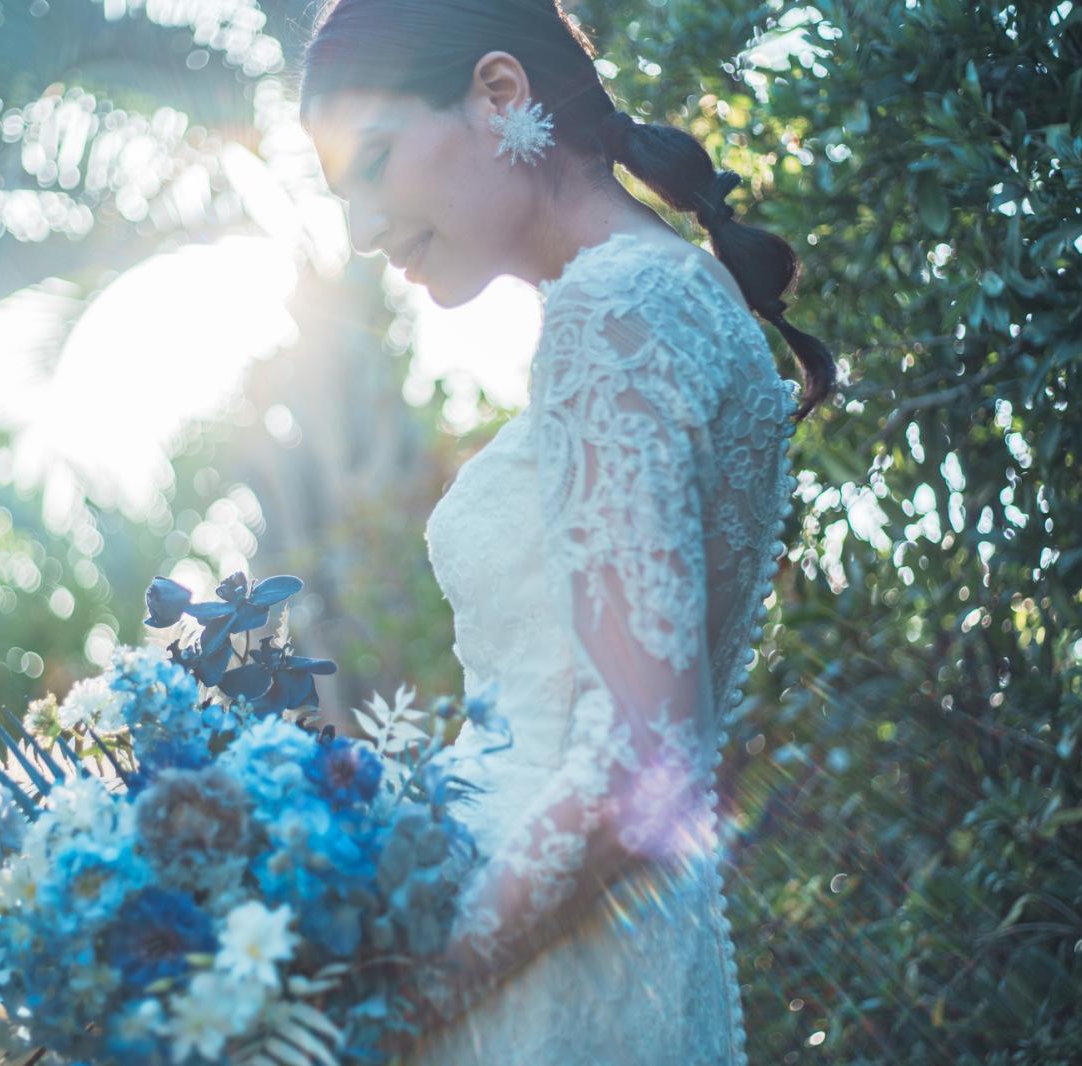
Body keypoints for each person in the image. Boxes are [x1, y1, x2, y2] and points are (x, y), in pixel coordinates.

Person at [299, 1, 835, 1061]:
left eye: (372, 162)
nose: (360, 232)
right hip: (599, 947)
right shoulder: (672, 295)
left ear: (500, 94)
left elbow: (639, 756)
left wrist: (403, 1008)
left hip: (534, 976)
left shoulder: (617, 312)